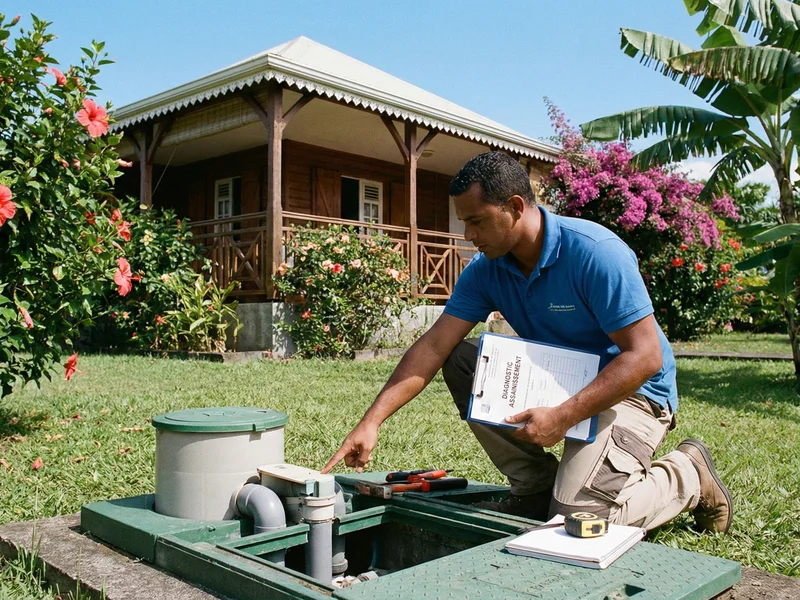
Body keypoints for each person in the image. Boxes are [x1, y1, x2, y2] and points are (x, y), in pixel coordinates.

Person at [322, 151, 732, 533]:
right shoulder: (487, 269)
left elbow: (644, 357)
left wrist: (563, 416)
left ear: (516, 207)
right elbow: (433, 347)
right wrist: (371, 422)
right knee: (463, 358)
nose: (467, 235)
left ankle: (687, 472)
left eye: (477, 221)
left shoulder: (595, 253)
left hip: (633, 393)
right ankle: (536, 485)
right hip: (560, 381)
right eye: (463, 222)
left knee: (580, 518)